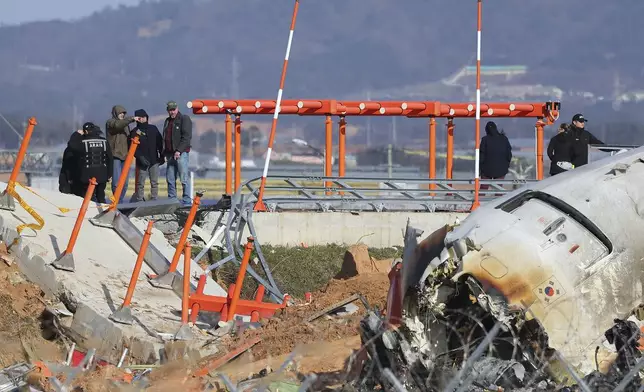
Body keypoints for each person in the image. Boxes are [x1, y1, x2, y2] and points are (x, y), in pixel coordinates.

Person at [67, 122, 113, 203]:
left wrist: (76, 134)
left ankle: (89, 212)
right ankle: (103, 212)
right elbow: (110, 159)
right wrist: (109, 174)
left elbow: (71, 145)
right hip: (102, 175)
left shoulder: (83, 142)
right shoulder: (104, 142)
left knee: (88, 197)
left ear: (86, 132)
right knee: (101, 195)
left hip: (87, 176)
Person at [106, 105, 141, 203]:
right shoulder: (110, 122)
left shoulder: (126, 125)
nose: (122, 115)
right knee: (116, 182)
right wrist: (132, 119)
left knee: (125, 183)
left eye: (123, 113)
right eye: (120, 113)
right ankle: (117, 201)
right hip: (115, 155)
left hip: (126, 156)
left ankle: (120, 200)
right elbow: (117, 125)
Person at [162, 100, 193, 205]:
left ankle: (187, 201)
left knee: (184, 178)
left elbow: (186, 137)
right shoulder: (167, 121)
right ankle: (172, 201)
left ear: (177, 108)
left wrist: (179, 151)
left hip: (181, 154)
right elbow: (165, 138)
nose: (172, 112)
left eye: (173, 110)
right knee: (170, 179)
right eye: (170, 110)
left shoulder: (184, 119)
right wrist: (164, 153)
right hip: (170, 154)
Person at [131, 109, 163, 201]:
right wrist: (140, 157)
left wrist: (161, 155)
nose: (142, 119)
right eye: (140, 118)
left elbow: (160, 142)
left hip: (154, 160)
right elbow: (132, 148)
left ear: (147, 118)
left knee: (154, 182)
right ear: (137, 119)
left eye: (144, 117)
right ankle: (140, 199)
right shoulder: (134, 131)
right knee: (140, 183)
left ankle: (154, 199)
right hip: (142, 161)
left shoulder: (153, 128)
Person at [479, 121, 512, 191]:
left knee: (484, 188)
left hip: (486, 169)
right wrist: (506, 165)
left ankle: (480, 201)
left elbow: (482, 155)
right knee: (498, 189)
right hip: (501, 169)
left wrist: (480, 169)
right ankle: (499, 202)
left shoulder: (485, 139)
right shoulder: (504, 139)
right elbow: (509, 154)